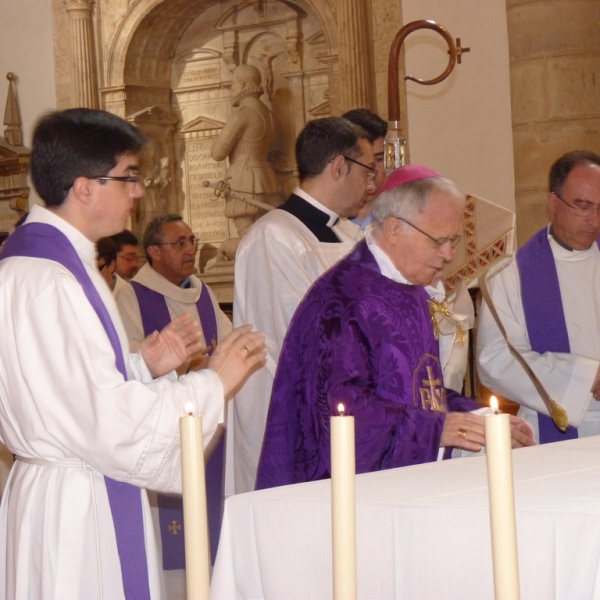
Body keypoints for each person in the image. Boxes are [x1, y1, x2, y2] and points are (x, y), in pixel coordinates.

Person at [0, 108, 265, 599]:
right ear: (84, 187)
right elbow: (106, 424)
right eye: (128, 178)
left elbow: (68, 393)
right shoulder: (51, 279)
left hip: (64, 492)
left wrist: (141, 365)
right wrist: (212, 382)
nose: (139, 192)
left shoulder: (39, 262)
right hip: (79, 511)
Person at [256, 165, 533, 490]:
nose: (449, 255)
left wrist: (481, 417)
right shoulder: (344, 300)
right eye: (439, 241)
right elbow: (337, 411)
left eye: (454, 240)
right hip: (340, 492)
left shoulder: (407, 288)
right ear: (394, 229)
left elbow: (419, 393)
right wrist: (434, 429)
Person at [230, 116, 376, 494]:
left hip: (343, 403)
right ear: (339, 166)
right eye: (367, 171)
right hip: (293, 412)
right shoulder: (274, 236)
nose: (371, 184)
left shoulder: (347, 234)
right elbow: (295, 333)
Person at [116, 214, 232, 590]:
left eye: (191, 240)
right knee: (173, 546)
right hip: (164, 426)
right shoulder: (132, 295)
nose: (189, 249)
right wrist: (181, 365)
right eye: (178, 243)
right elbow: (127, 358)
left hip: (208, 425)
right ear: (154, 252)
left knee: (211, 520)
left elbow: (225, 342)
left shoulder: (202, 292)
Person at [477, 150, 600, 444]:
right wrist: (586, 378)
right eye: (583, 207)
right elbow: (494, 360)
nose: (594, 220)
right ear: (553, 202)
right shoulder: (511, 276)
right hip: (556, 425)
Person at [210, 64, 283, 262]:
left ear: (242, 84)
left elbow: (217, 153)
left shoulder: (242, 115)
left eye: (233, 85)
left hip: (243, 180)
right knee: (262, 232)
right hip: (266, 177)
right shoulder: (269, 114)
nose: (232, 90)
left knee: (249, 237)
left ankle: (227, 249)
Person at [340, 108, 387, 236]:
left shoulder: (403, 216)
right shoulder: (327, 221)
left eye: (378, 159)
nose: (372, 170)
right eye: (362, 160)